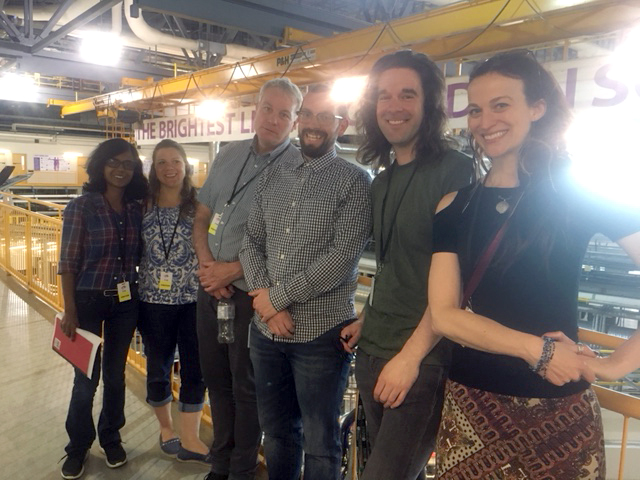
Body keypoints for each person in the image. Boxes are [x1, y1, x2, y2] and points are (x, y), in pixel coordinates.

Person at [428, 49, 640, 479]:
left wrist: (613, 365)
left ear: (538, 108)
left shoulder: (576, 194)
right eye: (475, 110)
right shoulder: (455, 206)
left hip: (561, 410)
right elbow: (445, 316)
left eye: (501, 105)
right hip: (472, 406)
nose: (485, 122)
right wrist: (537, 351)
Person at [340, 50, 473, 480]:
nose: (394, 106)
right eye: (384, 96)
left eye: (407, 95)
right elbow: (395, 265)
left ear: (429, 104)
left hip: (421, 358)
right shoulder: (382, 180)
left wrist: (411, 358)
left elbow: (456, 287)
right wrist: (367, 317)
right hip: (375, 346)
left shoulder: (456, 171)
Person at [239, 83, 372, 480]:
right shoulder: (273, 174)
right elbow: (251, 242)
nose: (314, 124)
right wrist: (268, 306)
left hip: (320, 336)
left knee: (320, 442)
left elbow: (341, 259)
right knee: (277, 433)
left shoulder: (355, 181)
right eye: (308, 114)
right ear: (299, 120)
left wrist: (273, 299)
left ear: (342, 125)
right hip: (267, 335)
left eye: (325, 117)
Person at [193, 77, 302, 480]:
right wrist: (208, 267)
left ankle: (241, 470)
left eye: (284, 114)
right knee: (216, 383)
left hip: (251, 297)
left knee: (246, 389)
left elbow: (286, 240)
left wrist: (232, 270)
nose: (273, 119)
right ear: (254, 109)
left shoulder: (297, 168)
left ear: (294, 121)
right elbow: (202, 215)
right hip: (210, 293)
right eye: (267, 109)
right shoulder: (228, 153)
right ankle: (218, 465)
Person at [57, 138, 148, 479]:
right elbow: (67, 262)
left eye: (128, 164)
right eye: (114, 162)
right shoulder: (81, 207)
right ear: (101, 166)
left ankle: (111, 437)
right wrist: (70, 311)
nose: (121, 169)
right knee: (85, 379)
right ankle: (77, 447)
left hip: (126, 301)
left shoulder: (137, 208)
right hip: (88, 300)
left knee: (115, 375)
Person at [137, 139, 211, 464]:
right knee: (158, 367)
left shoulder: (200, 205)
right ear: (153, 168)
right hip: (152, 301)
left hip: (193, 300)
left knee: (196, 369)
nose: (170, 168)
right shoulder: (142, 205)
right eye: (162, 162)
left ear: (186, 165)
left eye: (176, 161)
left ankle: (192, 438)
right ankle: (167, 429)